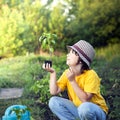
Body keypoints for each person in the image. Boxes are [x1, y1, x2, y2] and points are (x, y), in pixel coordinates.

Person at [42, 40, 108, 120]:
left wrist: (72, 81)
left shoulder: (91, 75)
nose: (67, 55)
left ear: (81, 60)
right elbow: (54, 91)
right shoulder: (68, 73)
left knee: (84, 108)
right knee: (54, 101)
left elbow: (85, 99)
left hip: (96, 111)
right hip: (78, 109)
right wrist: (52, 73)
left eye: (72, 53)